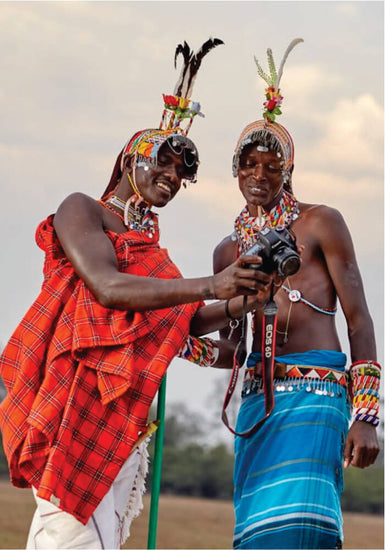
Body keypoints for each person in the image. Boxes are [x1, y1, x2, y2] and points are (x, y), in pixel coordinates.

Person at [0, 39, 272, 550]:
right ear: (130, 160)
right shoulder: (82, 210)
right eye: (161, 165)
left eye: (180, 173)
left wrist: (244, 297)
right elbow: (107, 288)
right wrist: (213, 284)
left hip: (125, 418)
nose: (170, 177)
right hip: (78, 398)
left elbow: (182, 321)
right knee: (66, 539)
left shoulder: (155, 257)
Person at [212, 39, 381, 549]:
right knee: (256, 535)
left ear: (289, 169)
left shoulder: (320, 223)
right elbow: (234, 352)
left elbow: (359, 321)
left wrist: (368, 414)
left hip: (320, 395)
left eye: (271, 166)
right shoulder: (226, 252)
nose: (258, 176)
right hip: (257, 405)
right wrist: (162, 338)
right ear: (235, 169)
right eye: (249, 165)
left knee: (301, 533)